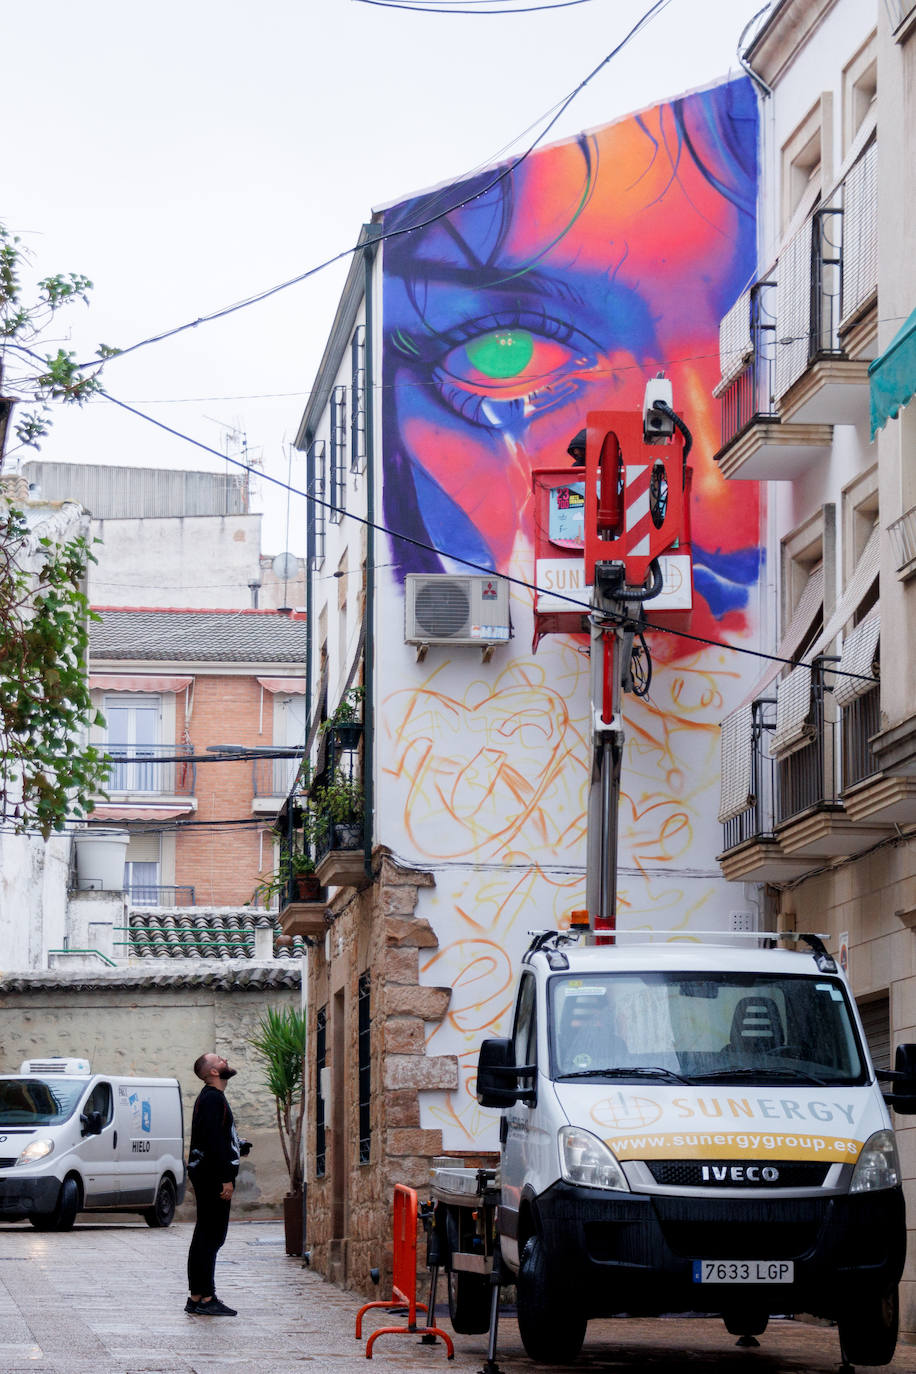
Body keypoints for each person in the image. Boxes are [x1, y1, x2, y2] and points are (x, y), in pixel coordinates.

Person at [185, 1052, 243, 1317]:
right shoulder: (212, 1099)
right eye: (220, 1060)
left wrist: (238, 1148)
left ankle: (197, 1295)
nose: (225, 1061)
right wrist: (225, 1178)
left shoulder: (212, 1098)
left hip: (208, 1174)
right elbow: (212, 1142)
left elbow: (218, 1137)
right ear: (213, 1072)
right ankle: (205, 1298)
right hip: (213, 1177)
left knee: (206, 1236)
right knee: (211, 1236)